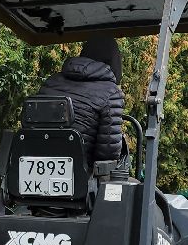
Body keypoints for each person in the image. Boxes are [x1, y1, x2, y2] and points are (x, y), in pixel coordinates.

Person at [29, 36, 126, 168]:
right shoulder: (111, 92)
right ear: (114, 61)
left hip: (35, 163)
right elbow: (108, 150)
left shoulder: (51, 82)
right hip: (80, 172)